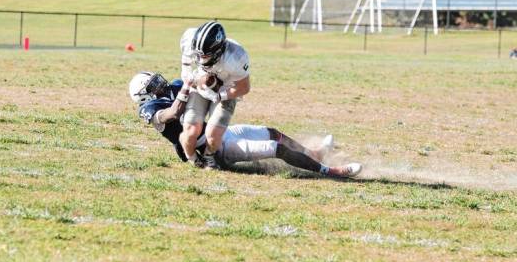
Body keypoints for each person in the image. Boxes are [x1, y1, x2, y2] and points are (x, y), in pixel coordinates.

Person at [128, 71, 362, 177]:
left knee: (273, 133)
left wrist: (209, 81)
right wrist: (186, 90)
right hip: (209, 150)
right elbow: (172, 113)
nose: (160, 85)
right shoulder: (149, 110)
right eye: (152, 86)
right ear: (144, 96)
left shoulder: (174, 87)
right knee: (276, 149)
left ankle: (315, 154)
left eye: (156, 80)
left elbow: (204, 89)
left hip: (218, 133)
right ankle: (331, 172)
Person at [179, 21, 250, 169]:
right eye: (198, 55)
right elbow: (186, 67)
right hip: (199, 84)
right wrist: (194, 81)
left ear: (219, 51)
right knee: (191, 131)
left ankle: (208, 156)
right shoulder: (189, 39)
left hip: (226, 89)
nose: (200, 60)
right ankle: (193, 159)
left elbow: (244, 88)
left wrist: (218, 95)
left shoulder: (235, 57)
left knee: (213, 135)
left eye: (205, 56)